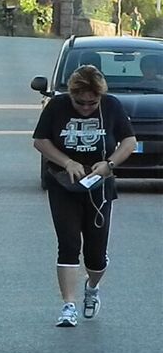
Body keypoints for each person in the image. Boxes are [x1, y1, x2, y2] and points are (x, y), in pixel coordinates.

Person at [32, 65, 136, 327]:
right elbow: (41, 140)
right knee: (68, 245)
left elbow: (129, 142)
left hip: (99, 185)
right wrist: (66, 162)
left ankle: (92, 286)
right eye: (80, 102)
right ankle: (68, 306)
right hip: (64, 185)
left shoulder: (111, 106)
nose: (87, 107)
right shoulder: (57, 106)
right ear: (72, 95)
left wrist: (109, 165)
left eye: (92, 102)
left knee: (95, 254)